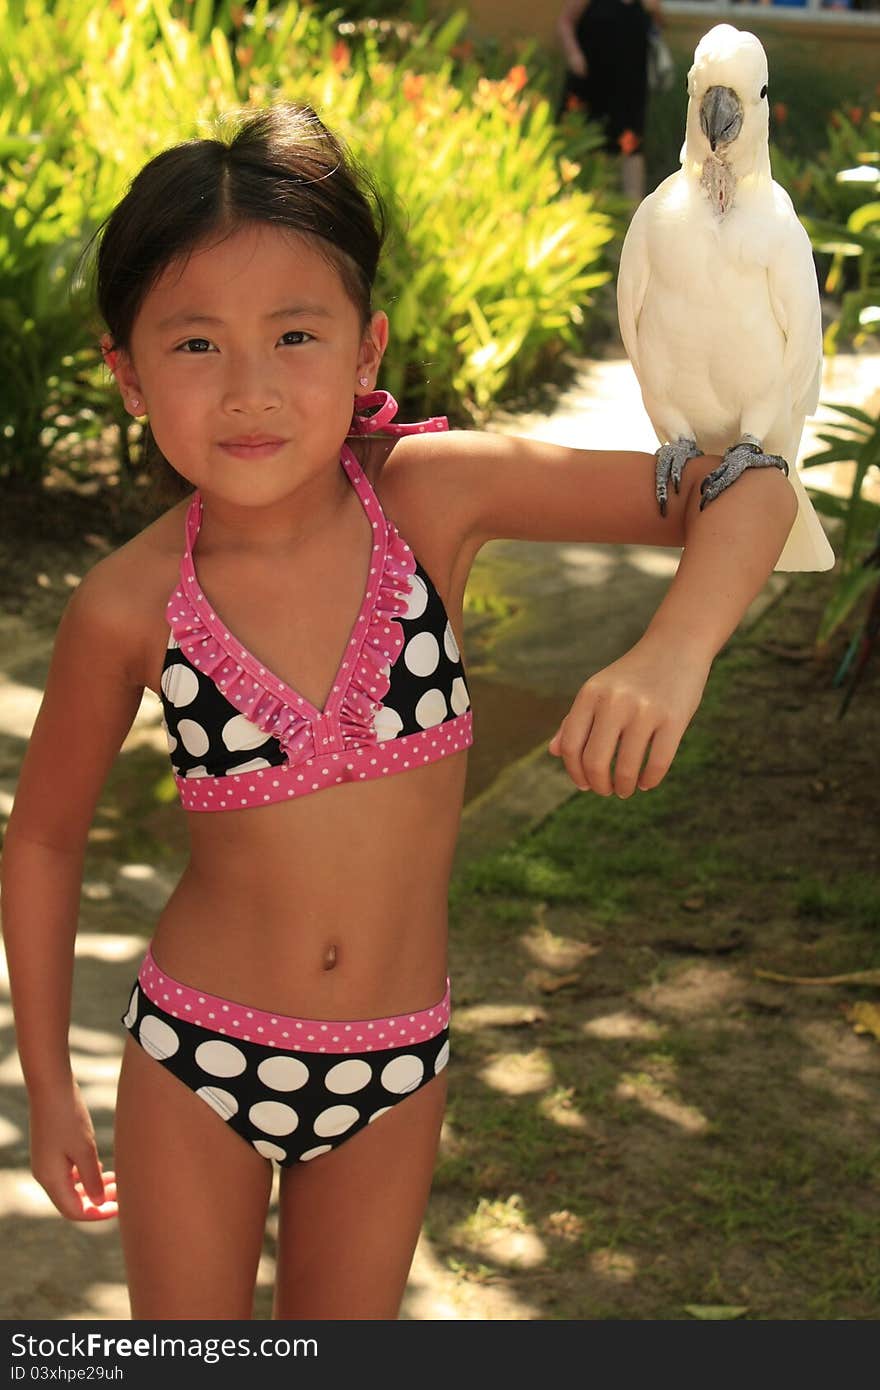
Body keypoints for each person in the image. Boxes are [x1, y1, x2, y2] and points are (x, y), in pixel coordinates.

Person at [0, 102, 798, 1321]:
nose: (252, 389)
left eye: (296, 335)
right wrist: (49, 1082)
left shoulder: (432, 500)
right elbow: (45, 837)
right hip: (197, 1056)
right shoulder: (127, 604)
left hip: (395, 1061)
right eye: (197, 345)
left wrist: (668, 654)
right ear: (126, 370)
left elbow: (749, 486)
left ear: (367, 348)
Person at [557, 0, 664, 203]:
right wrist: (573, 55)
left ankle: (633, 214)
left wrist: (655, 10)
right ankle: (570, 201)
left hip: (629, 87)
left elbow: (658, 27)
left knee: (631, 146)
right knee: (581, 141)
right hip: (590, 82)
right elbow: (565, 22)